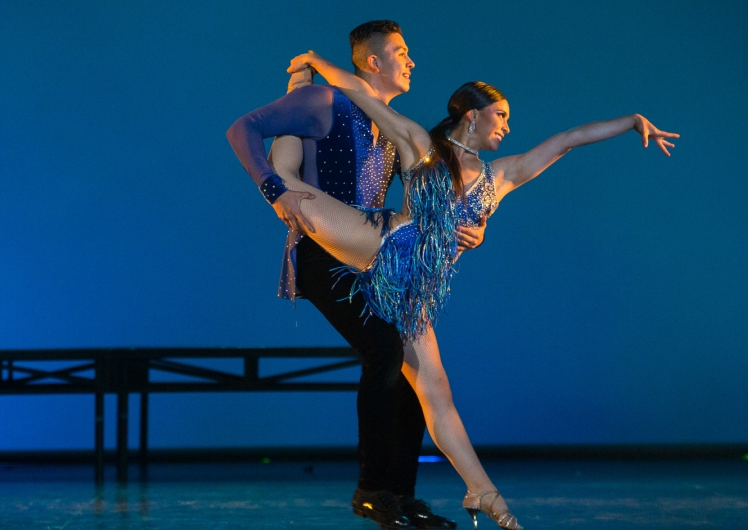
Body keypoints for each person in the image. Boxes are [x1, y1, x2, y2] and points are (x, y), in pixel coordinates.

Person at [229, 50, 679, 529]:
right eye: (500, 115)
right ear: (472, 115)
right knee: (295, 187)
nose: (507, 126)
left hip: (416, 290)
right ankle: (293, 98)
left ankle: (482, 491)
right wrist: (316, 65)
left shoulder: (499, 178)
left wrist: (632, 122)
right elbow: (361, 94)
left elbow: (567, 141)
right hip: (382, 246)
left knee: (435, 393)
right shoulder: (422, 148)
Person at [227, 21, 483, 529]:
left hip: (374, 259)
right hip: (323, 253)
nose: (411, 61)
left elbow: (422, 197)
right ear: (371, 62)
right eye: (401, 52)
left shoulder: (388, 127)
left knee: (408, 365)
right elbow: (242, 128)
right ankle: (371, 489)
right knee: (384, 349)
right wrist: (272, 189)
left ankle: (401, 497)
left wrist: (456, 228)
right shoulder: (324, 101)